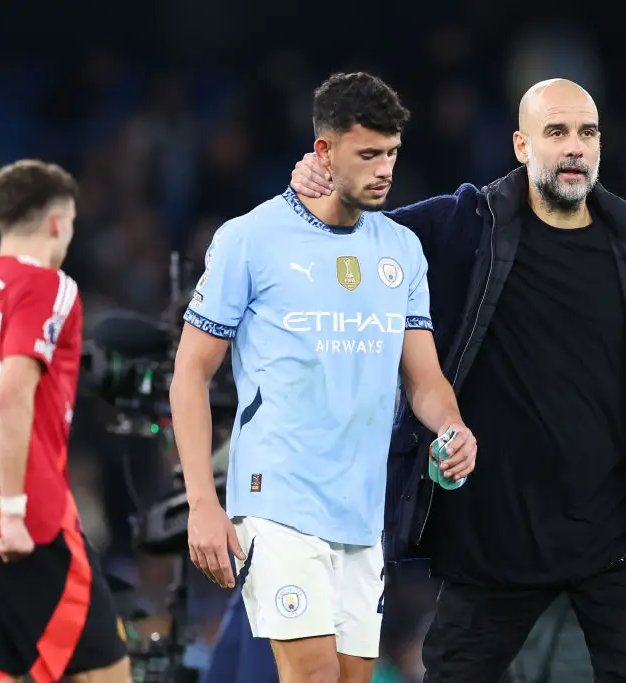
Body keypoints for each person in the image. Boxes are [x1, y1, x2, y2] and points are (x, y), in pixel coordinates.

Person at [290, 78, 626, 683]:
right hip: (497, 536)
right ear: (521, 145)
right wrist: (318, 186)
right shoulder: (465, 227)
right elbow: (352, 237)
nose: (574, 147)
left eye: (587, 133)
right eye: (557, 132)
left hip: (614, 535)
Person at [170, 72, 477, 683]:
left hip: (362, 509)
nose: (383, 169)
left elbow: (424, 380)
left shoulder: (400, 250)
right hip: (277, 496)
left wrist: (453, 426)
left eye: (390, 153)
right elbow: (189, 374)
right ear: (323, 152)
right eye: (367, 154)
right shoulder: (250, 240)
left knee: (348, 677)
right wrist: (203, 501)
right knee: (310, 675)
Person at [0, 160, 131, 683]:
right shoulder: (50, 285)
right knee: (105, 675)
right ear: (55, 223)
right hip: (28, 529)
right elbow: (11, 394)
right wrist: (15, 513)